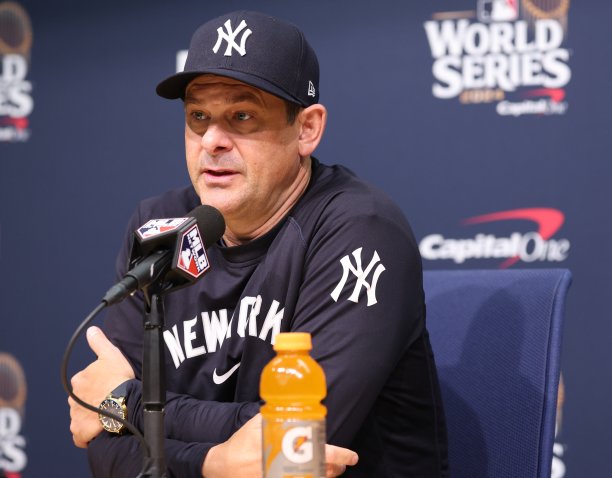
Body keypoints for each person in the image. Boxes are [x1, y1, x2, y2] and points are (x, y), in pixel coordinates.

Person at [68, 10, 448, 478]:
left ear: (307, 129)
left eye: (242, 116)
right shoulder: (159, 226)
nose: (212, 140)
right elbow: (104, 445)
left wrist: (127, 404)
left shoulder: (359, 230)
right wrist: (214, 463)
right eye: (198, 117)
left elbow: (296, 446)